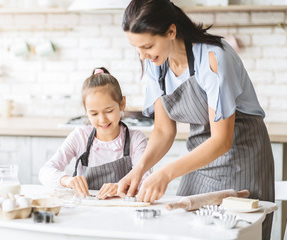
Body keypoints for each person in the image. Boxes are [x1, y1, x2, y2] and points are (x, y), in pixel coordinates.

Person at [117, 0, 274, 239]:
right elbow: (163, 130)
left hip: (240, 155)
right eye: (136, 48)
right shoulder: (155, 64)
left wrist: (166, 173)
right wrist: (139, 170)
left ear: (171, 31)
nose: (143, 55)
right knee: (185, 230)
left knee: (232, 232)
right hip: (198, 157)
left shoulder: (213, 57)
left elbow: (222, 140)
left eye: (147, 46)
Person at [39, 67, 148, 200]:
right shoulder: (79, 136)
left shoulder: (136, 139)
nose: (102, 120)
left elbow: (146, 180)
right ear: (86, 111)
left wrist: (120, 187)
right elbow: (45, 172)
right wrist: (67, 180)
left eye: (109, 111)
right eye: (94, 113)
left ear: (122, 104)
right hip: (85, 211)